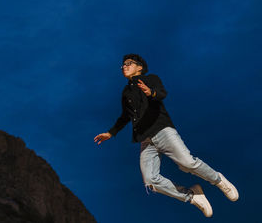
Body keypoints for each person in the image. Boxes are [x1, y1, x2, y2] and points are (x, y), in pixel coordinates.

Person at [93, 54, 239, 217]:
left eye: (129, 63)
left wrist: (151, 93)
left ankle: (219, 180)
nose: (124, 66)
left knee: (187, 163)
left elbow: (162, 93)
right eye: (123, 65)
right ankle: (192, 196)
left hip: (162, 130)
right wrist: (110, 133)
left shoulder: (151, 78)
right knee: (150, 181)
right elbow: (125, 116)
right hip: (146, 140)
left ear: (139, 67)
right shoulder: (126, 92)